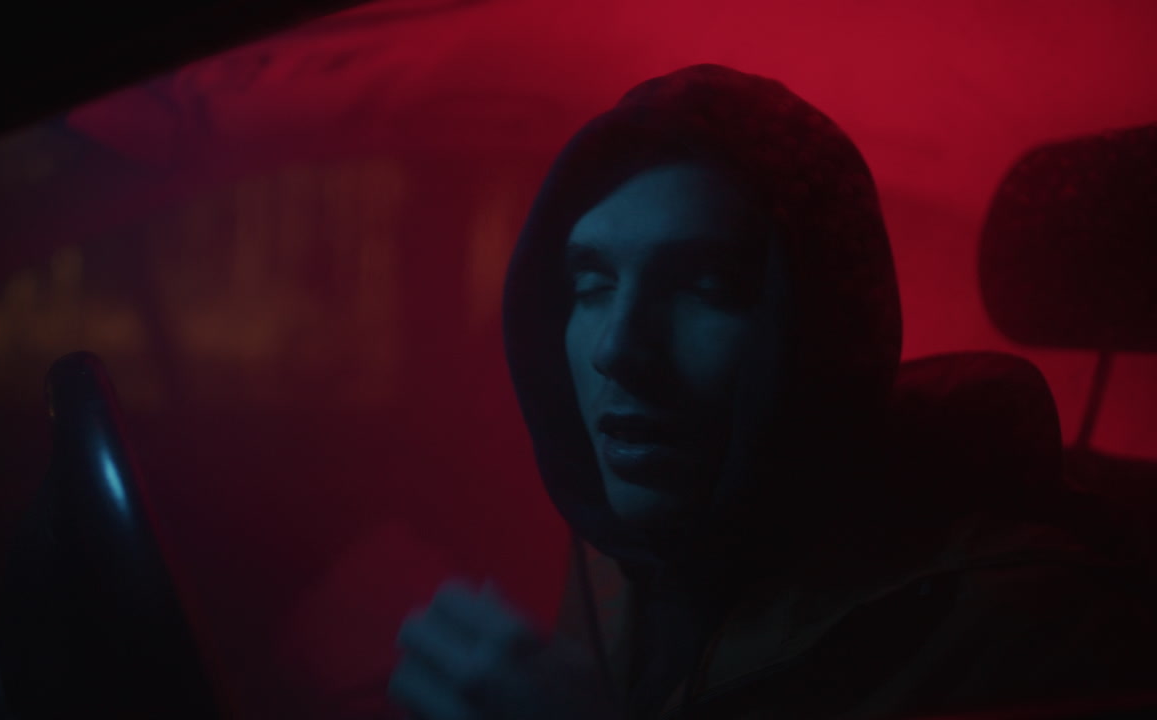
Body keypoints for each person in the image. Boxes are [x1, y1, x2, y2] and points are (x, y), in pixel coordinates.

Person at [387, 64, 1157, 720]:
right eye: (589, 284)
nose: (619, 348)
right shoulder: (620, 556)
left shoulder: (1036, 628)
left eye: (708, 286)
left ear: (824, 331)